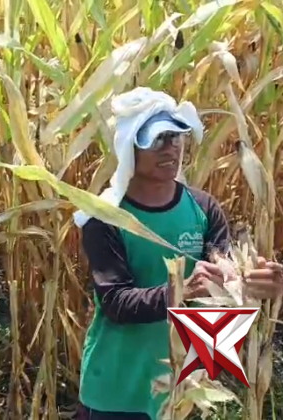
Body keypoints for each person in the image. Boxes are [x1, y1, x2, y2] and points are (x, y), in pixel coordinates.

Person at [74, 90, 283, 420]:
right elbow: (116, 302)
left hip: (183, 385)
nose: (170, 147)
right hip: (117, 386)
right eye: (158, 139)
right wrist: (181, 290)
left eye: (176, 137)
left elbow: (222, 276)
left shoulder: (202, 208)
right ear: (129, 147)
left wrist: (255, 283)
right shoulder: (105, 219)